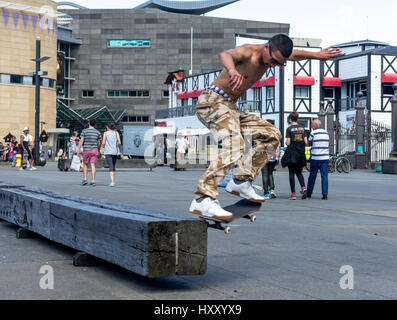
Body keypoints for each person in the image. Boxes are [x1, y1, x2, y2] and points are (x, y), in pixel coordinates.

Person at [189, 34, 341, 218]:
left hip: (230, 107)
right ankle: (202, 198)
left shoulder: (276, 55)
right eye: (273, 60)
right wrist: (232, 70)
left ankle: (241, 181)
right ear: (267, 47)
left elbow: (297, 53)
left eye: (280, 64)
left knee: (271, 134)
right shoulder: (249, 51)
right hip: (212, 101)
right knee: (234, 144)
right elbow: (226, 55)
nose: (274, 65)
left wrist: (318, 55)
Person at [285, 112, 308, 200]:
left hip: (292, 153)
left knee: (291, 173)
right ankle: (303, 188)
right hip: (301, 153)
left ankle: (293, 194)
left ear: (290, 119)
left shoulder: (289, 129)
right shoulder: (302, 128)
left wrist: (287, 143)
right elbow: (306, 142)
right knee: (299, 172)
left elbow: (288, 142)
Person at [307, 119, 329, 200]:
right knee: (324, 176)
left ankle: (309, 193)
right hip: (325, 157)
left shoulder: (313, 133)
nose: (312, 126)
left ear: (316, 125)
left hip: (315, 157)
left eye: (312, 125)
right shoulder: (326, 133)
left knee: (312, 175)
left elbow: (309, 143)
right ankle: (325, 195)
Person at [78, 119, 102, 186]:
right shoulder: (98, 132)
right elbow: (100, 142)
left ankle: (85, 179)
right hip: (94, 150)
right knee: (93, 165)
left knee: (85, 165)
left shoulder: (84, 131)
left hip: (86, 150)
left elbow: (81, 141)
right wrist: (99, 149)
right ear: (95, 124)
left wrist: (78, 149)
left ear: (89, 123)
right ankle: (93, 180)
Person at [261, 120, 280, 199]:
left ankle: (266, 193)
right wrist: (277, 158)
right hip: (273, 156)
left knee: (265, 174)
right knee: (270, 173)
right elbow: (278, 146)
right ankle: (272, 189)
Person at [101, 122, 121, 187]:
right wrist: (116, 146)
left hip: (108, 152)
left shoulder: (105, 133)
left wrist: (102, 147)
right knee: (113, 165)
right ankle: (113, 180)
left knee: (111, 166)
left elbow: (103, 142)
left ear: (107, 127)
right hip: (115, 151)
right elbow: (119, 142)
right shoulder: (116, 133)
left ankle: (112, 181)